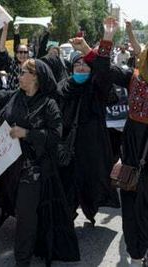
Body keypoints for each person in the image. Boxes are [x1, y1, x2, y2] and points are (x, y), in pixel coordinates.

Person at [0, 58, 79, 266]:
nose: (18, 76)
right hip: (9, 166)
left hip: (33, 170)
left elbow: (55, 136)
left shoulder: (49, 104)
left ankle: (22, 259)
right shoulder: (14, 97)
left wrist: (27, 133)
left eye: (23, 73)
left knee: (26, 217)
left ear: (36, 78)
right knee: (17, 208)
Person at [56, 18, 121, 225]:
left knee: (92, 184)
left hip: (92, 146)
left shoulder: (97, 88)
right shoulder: (63, 87)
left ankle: (90, 210)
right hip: (68, 145)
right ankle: (67, 216)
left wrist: (107, 37)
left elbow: (103, 70)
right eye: (78, 64)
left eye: (85, 65)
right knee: (66, 184)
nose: (82, 68)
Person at [101, 20, 148, 267]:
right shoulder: (134, 79)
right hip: (132, 159)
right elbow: (103, 68)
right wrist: (107, 37)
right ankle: (137, 251)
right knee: (131, 205)